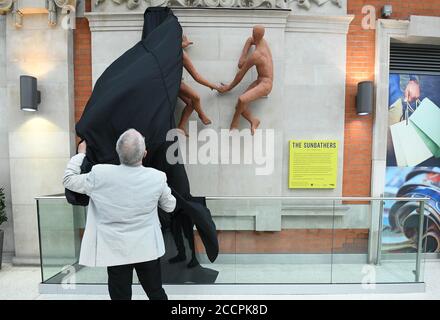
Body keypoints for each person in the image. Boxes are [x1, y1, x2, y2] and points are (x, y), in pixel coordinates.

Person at [63, 129, 176, 300]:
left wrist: (80, 154)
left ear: (118, 152)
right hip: (147, 247)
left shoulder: (100, 174)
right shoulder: (157, 177)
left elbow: (68, 180)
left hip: (114, 249)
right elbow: (170, 207)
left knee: (120, 297)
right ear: (145, 153)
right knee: (155, 292)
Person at [218, 25, 274, 135]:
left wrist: (228, 87)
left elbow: (240, 74)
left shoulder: (257, 55)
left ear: (254, 33)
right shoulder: (263, 41)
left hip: (266, 85)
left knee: (242, 100)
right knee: (238, 106)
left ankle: (234, 125)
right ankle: (254, 120)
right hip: (260, 80)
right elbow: (250, 40)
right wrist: (242, 57)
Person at [177, 35, 220, 136]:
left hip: (171, 82)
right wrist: (212, 86)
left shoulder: (169, 50)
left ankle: (181, 126)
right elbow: (196, 76)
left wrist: (184, 43)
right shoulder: (182, 55)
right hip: (175, 83)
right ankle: (202, 115)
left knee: (191, 103)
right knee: (196, 97)